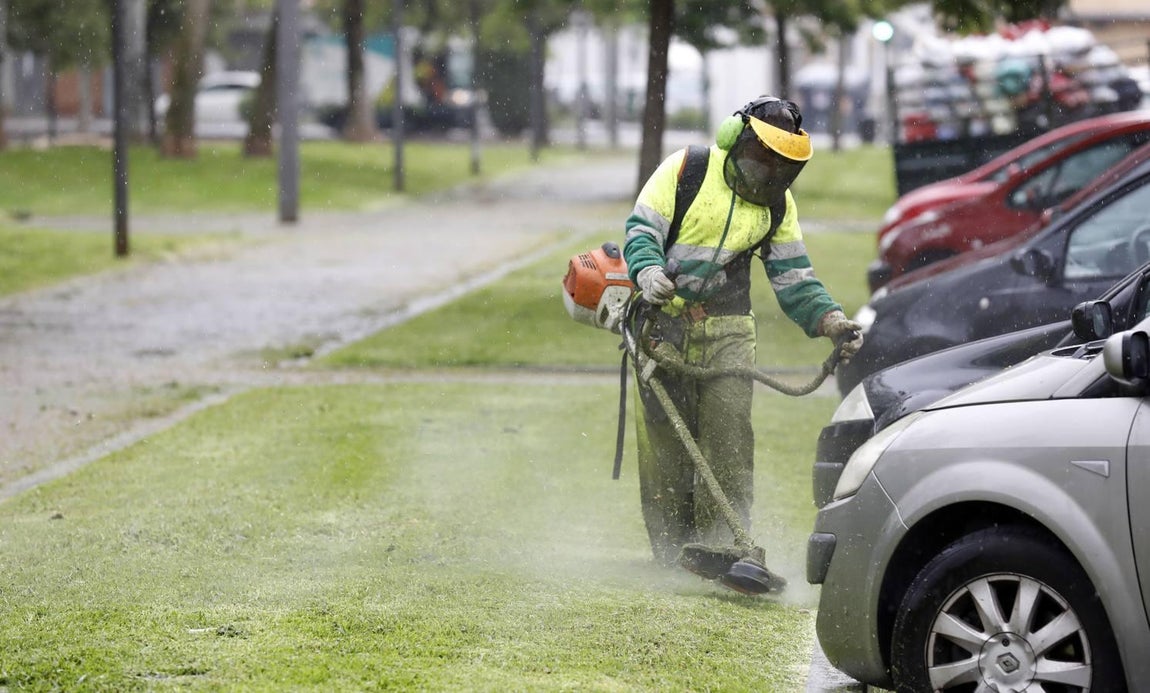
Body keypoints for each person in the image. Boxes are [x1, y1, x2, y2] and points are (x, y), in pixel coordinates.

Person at [622, 95, 862, 592]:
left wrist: (832, 321)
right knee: (668, 448)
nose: (765, 177)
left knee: (729, 439)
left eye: (780, 169)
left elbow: (794, 279)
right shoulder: (686, 171)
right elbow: (641, 232)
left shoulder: (776, 205)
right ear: (734, 141)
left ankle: (726, 548)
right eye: (759, 161)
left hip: (729, 328)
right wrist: (647, 272)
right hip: (661, 325)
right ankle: (673, 553)